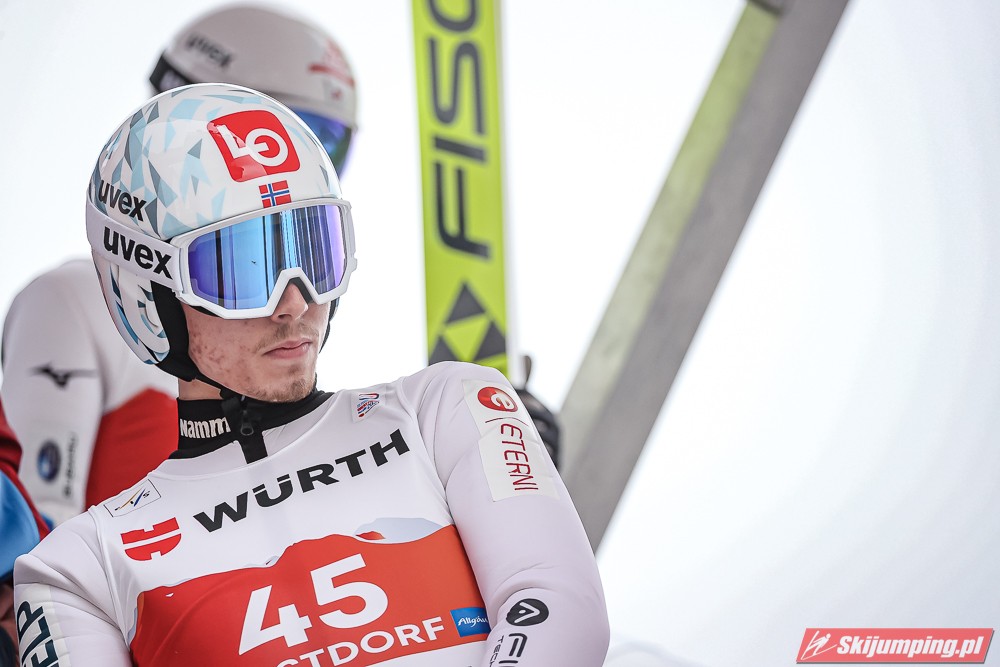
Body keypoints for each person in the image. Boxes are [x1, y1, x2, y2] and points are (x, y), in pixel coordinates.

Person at [13, 83, 608, 665]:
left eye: (315, 253)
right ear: (147, 293)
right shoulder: (77, 568)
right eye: (244, 268)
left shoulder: (446, 409)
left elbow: (558, 604)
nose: (295, 302)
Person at [1, 4, 359, 527]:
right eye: (290, 128)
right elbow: (34, 538)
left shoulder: (287, 326)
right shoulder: (72, 300)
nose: (288, 158)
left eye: (328, 140)